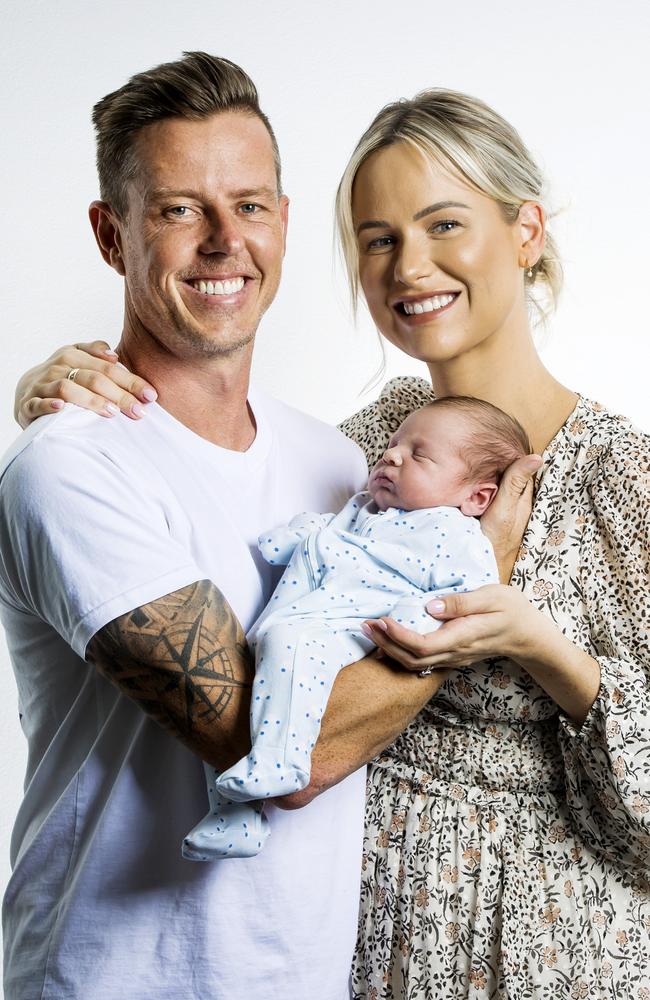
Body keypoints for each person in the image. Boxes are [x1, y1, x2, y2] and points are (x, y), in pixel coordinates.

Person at [19, 87, 650, 998]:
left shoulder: (622, 482)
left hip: (551, 957)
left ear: (526, 231)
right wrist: (44, 390)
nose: (410, 266)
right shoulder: (356, 451)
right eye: (378, 238)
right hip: (361, 957)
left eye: (443, 224)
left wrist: (538, 643)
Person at [185, 397, 529, 861]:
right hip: (302, 613)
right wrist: (306, 534)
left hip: (354, 630)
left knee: (288, 657)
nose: (392, 455)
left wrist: (414, 619)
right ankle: (235, 816)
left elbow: (467, 596)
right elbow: (329, 533)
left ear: (476, 497)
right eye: (392, 446)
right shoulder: (363, 506)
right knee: (235, 696)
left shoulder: (453, 532)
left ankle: (283, 763)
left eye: (420, 455)